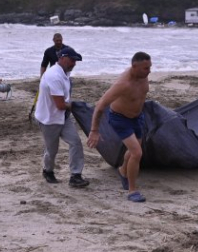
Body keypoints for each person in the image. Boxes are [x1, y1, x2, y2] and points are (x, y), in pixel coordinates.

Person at [87, 52, 152, 203]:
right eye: (145, 68)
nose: (149, 71)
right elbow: (100, 105)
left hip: (137, 117)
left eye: (150, 67)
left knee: (133, 151)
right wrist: (94, 130)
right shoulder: (123, 84)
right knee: (137, 153)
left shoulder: (143, 75)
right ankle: (132, 190)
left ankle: (123, 170)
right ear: (134, 67)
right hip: (120, 119)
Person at [34, 48, 90, 188]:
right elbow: (60, 104)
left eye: (75, 61)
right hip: (49, 119)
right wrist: (76, 106)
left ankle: (75, 176)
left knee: (76, 142)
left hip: (63, 117)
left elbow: (63, 101)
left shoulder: (65, 72)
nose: (74, 63)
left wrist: (71, 106)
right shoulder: (54, 76)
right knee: (52, 149)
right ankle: (48, 171)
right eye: (72, 60)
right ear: (62, 58)